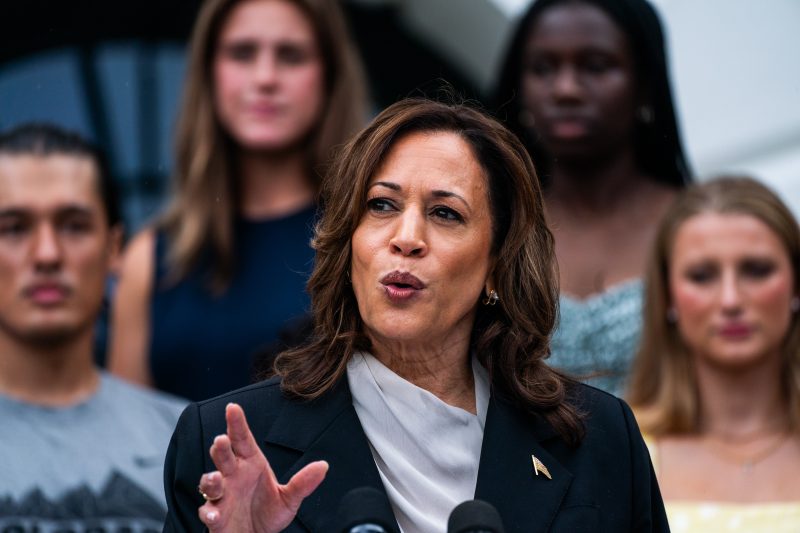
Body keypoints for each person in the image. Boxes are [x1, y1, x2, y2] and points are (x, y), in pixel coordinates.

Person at [162, 98, 667, 533]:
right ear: (349, 243)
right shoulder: (226, 447)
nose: (406, 238)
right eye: (382, 205)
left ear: (497, 265)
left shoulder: (600, 438)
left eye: (446, 213)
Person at [109, 0, 369, 401]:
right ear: (209, 72)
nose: (265, 78)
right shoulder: (150, 259)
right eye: (242, 53)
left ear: (330, 75)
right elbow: (128, 432)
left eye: (291, 55)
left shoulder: (369, 239)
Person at [493, 0, 692, 395]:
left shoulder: (697, 225)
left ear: (645, 83)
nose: (565, 89)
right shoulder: (495, 225)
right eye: (542, 68)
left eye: (596, 66)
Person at [0, 124, 186, 530]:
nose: (47, 254)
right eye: (13, 228)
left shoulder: (187, 440)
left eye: (74, 225)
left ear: (114, 248)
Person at [627, 176, 800, 531]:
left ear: (796, 285)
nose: (731, 300)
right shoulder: (622, 448)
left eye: (756, 270)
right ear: (668, 296)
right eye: (702, 275)